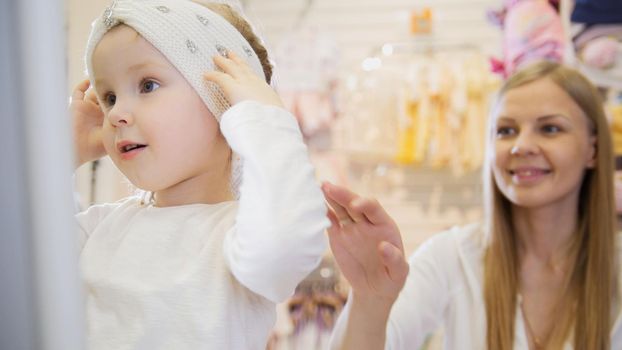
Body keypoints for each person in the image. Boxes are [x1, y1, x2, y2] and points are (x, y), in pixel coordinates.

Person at [69, 1, 328, 349]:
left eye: (147, 85)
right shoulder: (99, 228)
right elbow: (21, 263)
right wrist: (63, 153)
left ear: (225, 101)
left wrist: (265, 123)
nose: (116, 113)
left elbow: (284, 243)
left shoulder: (242, 236)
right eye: (109, 96)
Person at [324, 61, 621, 349]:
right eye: (506, 130)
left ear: (593, 150)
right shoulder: (452, 257)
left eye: (550, 129)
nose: (521, 146)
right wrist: (369, 299)